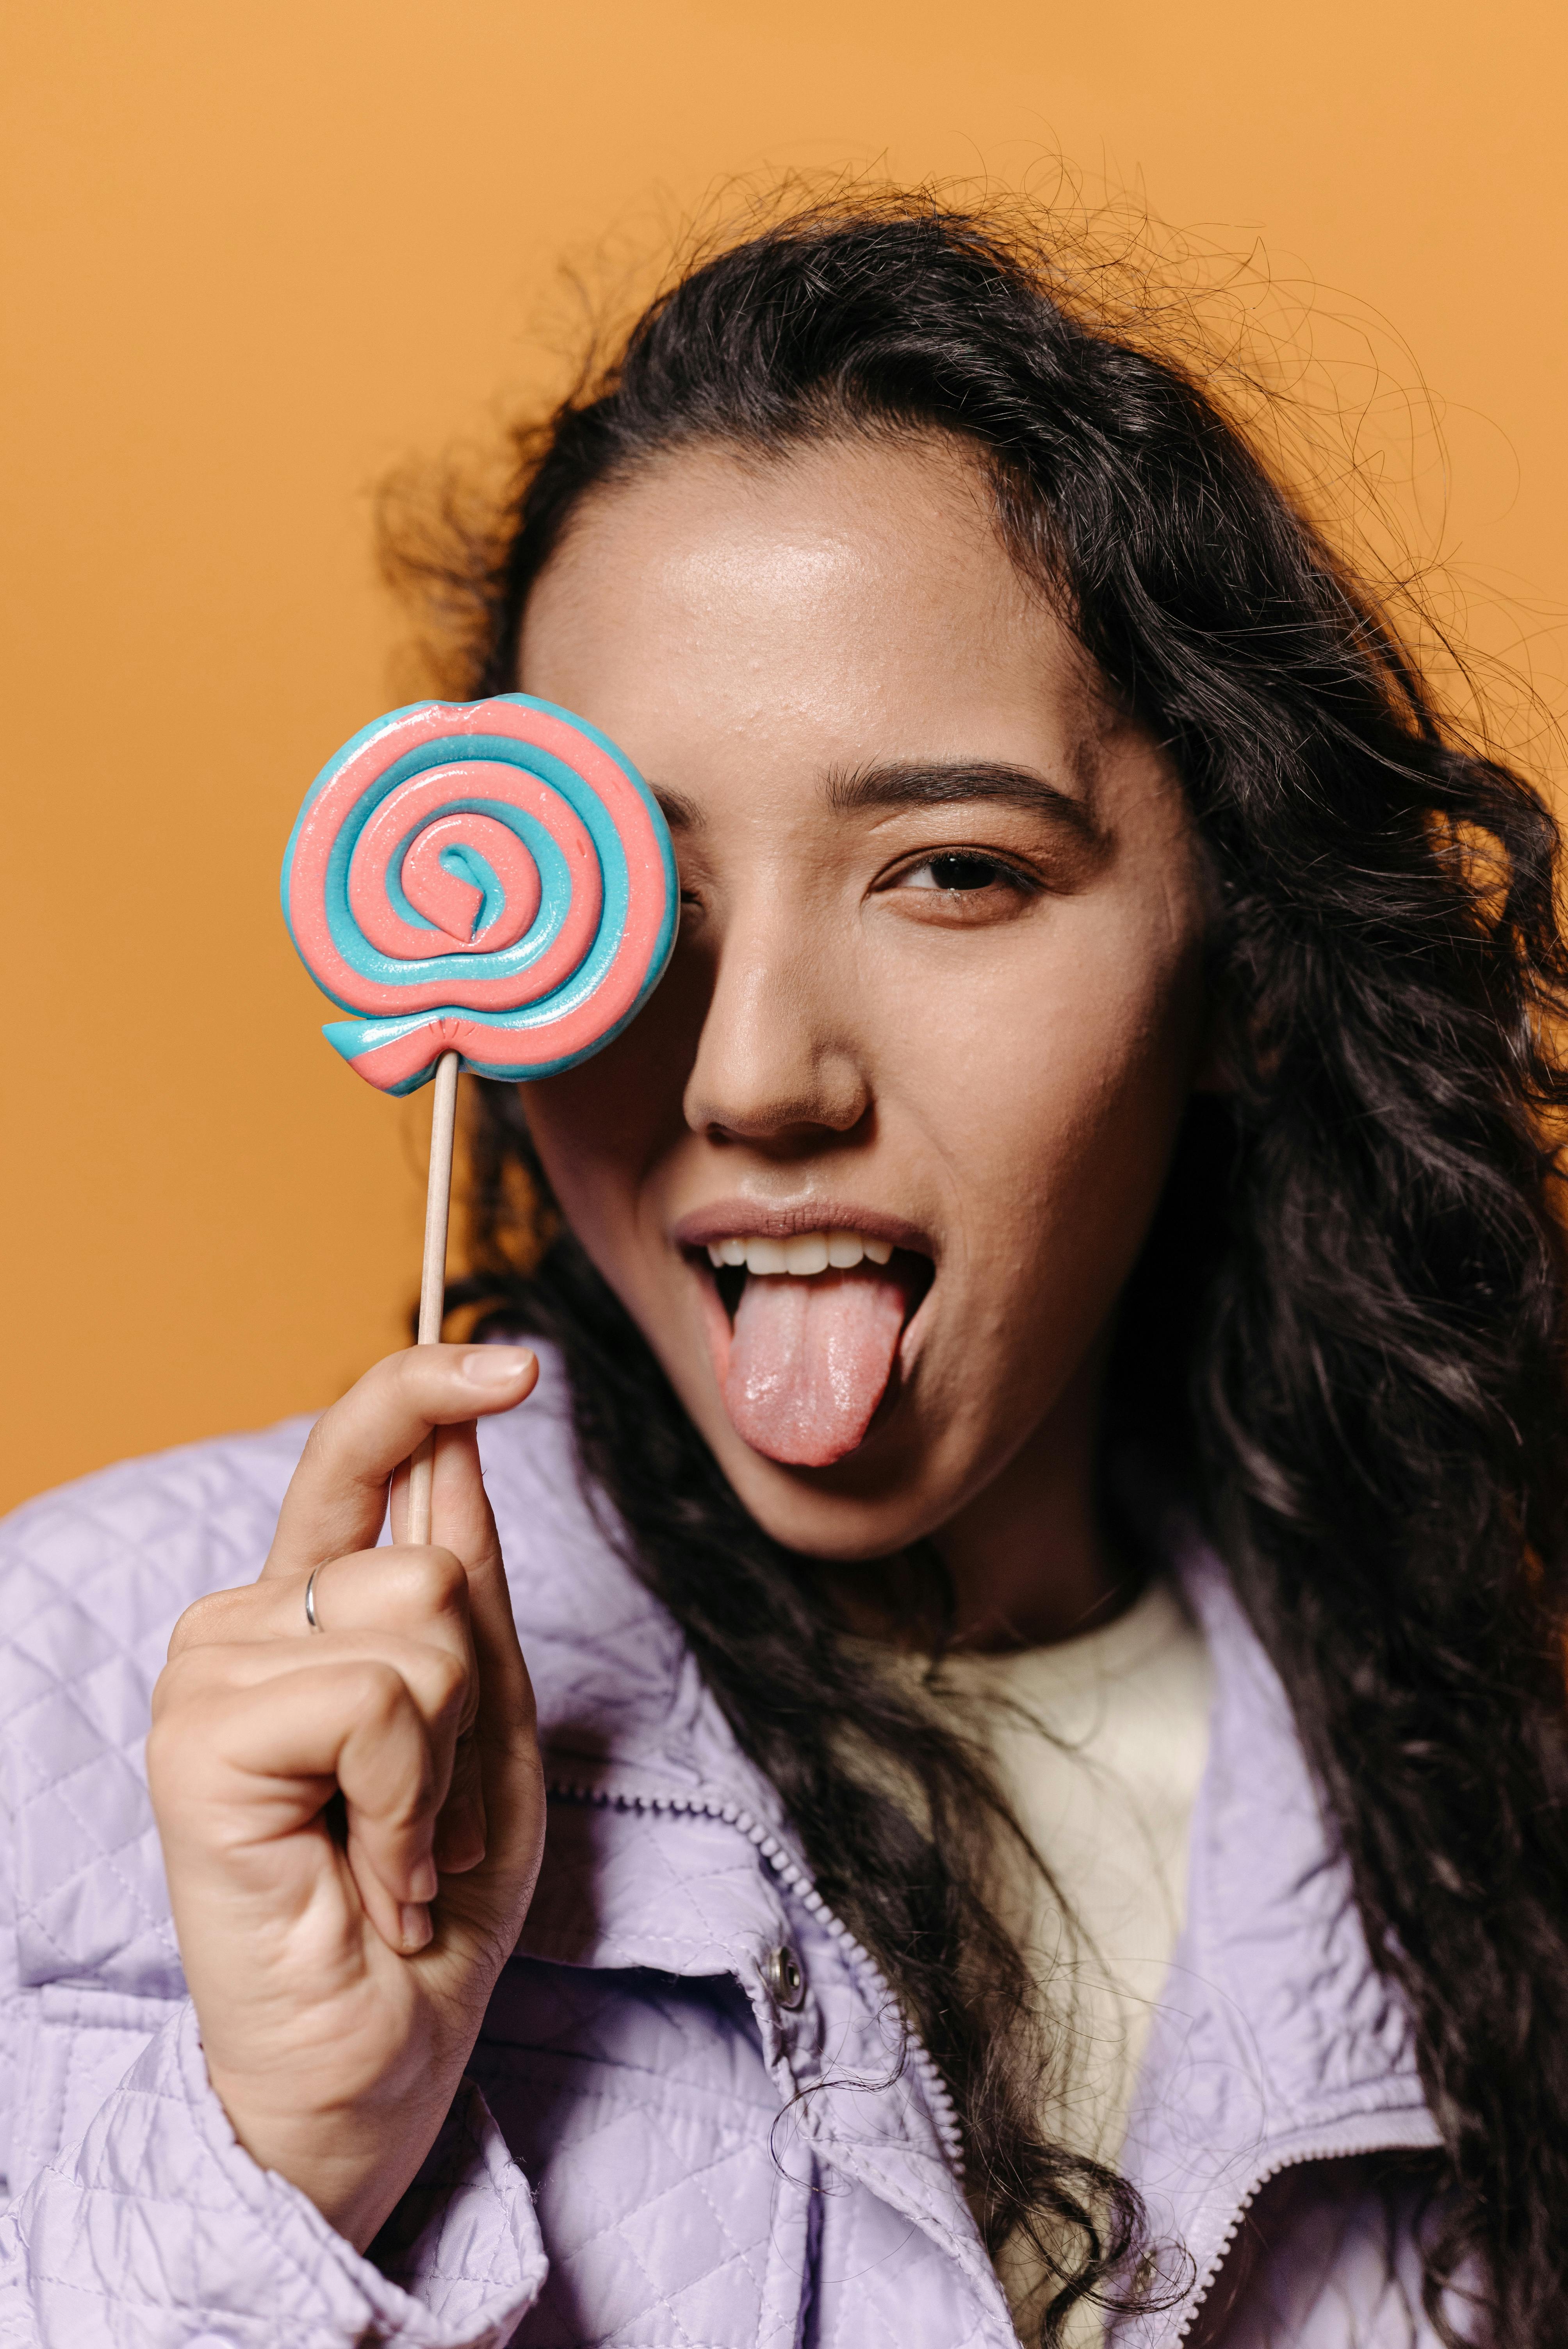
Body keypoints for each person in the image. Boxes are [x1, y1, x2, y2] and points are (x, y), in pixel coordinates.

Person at [2, 193, 1566, 2349]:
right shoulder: (68, 1694)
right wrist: (287, 2162)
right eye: (638, 889)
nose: (752, 1078)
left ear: (1244, 976)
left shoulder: (1479, 1794)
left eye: (952, 872)